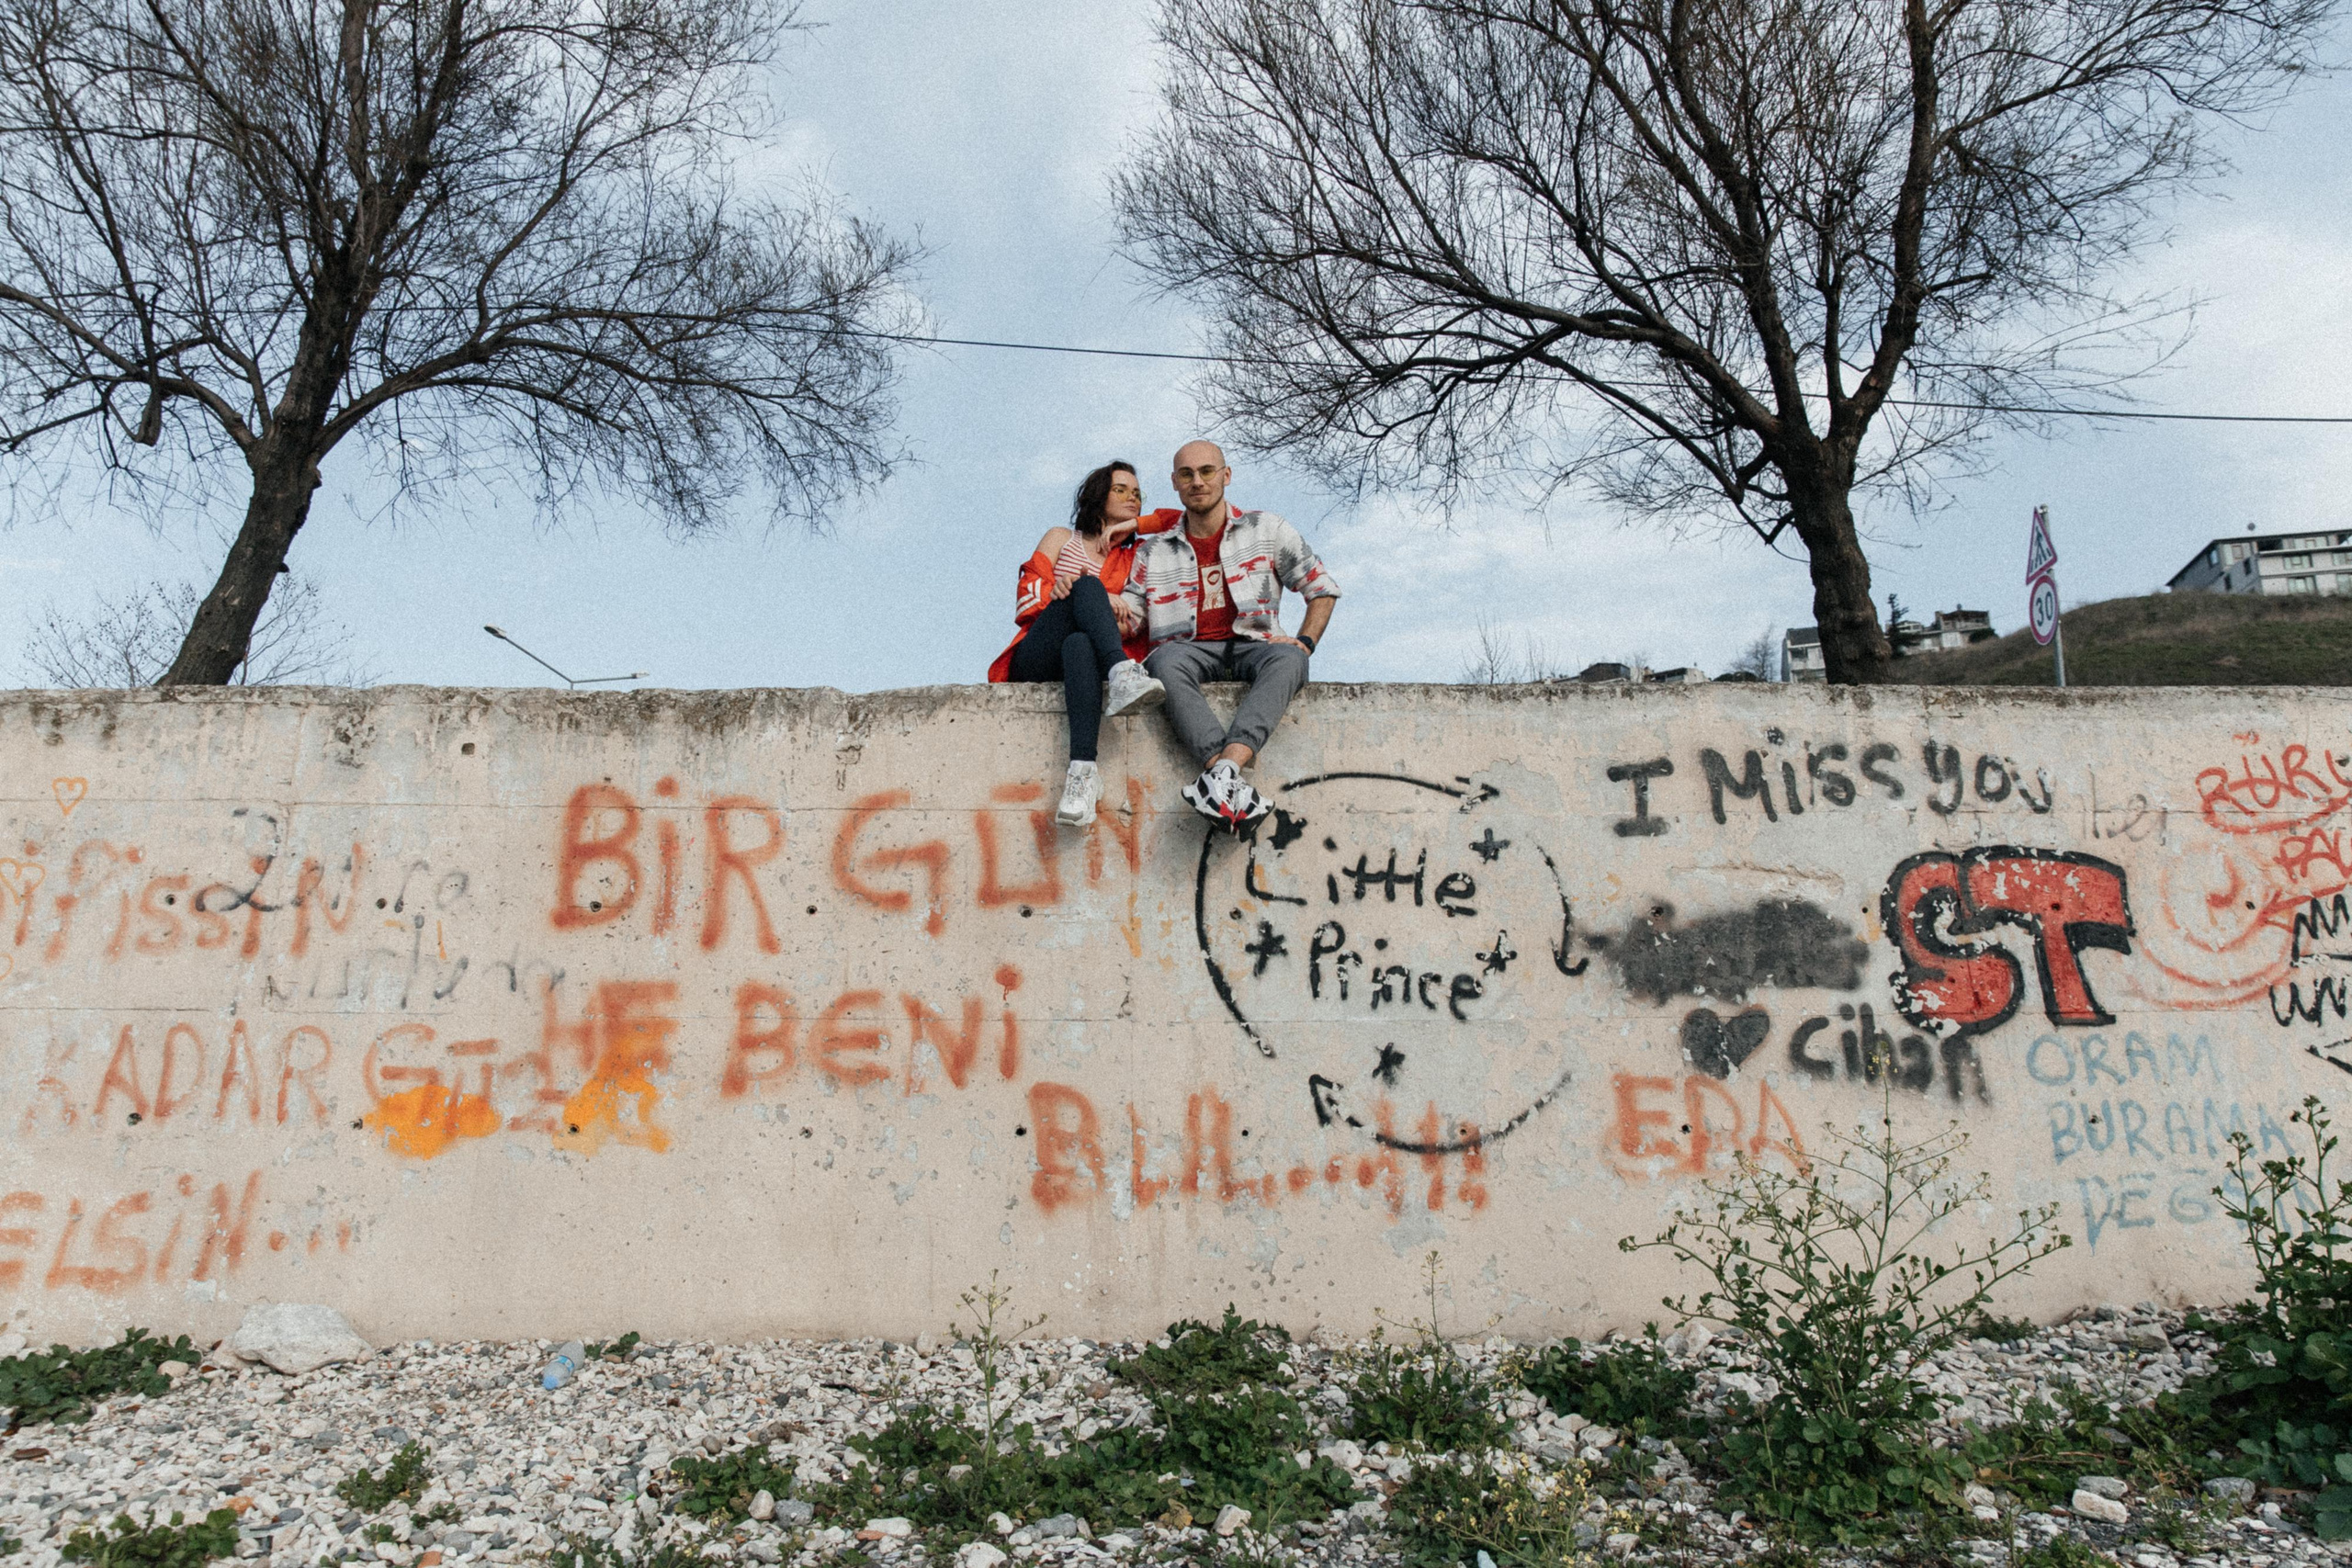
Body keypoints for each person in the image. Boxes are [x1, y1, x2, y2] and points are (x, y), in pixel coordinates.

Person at [1122, 440, 1340, 829]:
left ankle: (1223, 772)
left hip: (1255, 645)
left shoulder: (1266, 528)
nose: (1198, 482)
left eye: (1207, 471)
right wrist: (1104, 602)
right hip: (1187, 650)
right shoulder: (1153, 551)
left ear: (1226, 475)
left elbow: (1320, 587)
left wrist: (1305, 641)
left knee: (1291, 659)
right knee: (1162, 662)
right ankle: (1225, 778)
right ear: (1174, 483)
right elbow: (1133, 618)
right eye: (1187, 474)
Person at [988, 460, 1170, 828]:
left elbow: (1183, 519)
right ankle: (1123, 673)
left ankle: (1082, 774)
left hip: (1086, 656)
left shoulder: (1136, 555)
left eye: (1137, 493)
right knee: (1086, 587)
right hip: (1039, 649)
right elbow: (1027, 596)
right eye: (1121, 490)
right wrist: (1064, 590)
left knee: (1080, 643)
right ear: (1098, 494)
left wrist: (1135, 526)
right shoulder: (1061, 538)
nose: (1132, 498)